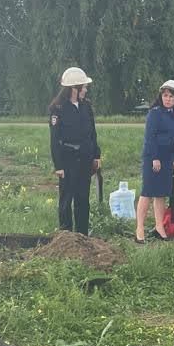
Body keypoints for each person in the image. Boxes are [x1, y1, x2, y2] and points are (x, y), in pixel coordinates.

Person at [49, 66, 101, 235]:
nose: (86, 90)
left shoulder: (86, 107)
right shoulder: (58, 109)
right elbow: (55, 140)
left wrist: (96, 156)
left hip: (85, 158)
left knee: (83, 198)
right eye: (83, 87)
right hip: (68, 159)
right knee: (66, 199)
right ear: (73, 89)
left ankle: (82, 235)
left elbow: (92, 133)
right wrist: (59, 166)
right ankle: (65, 236)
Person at [137, 80, 174, 243]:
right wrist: (154, 157)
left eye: (171, 96)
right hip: (153, 157)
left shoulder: (173, 116)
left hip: (168, 157)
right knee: (147, 192)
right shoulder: (155, 113)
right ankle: (139, 228)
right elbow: (150, 137)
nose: (168, 99)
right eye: (165, 96)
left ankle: (159, 226)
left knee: (162, 193)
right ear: (160, 97)